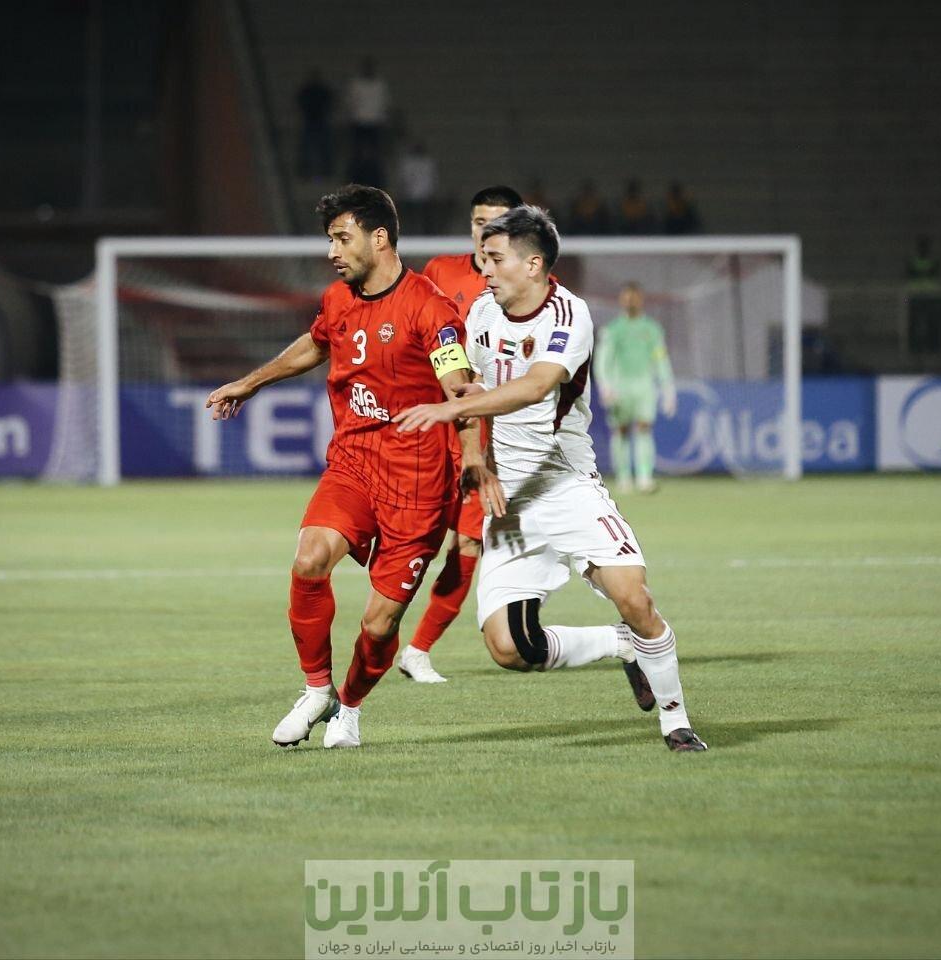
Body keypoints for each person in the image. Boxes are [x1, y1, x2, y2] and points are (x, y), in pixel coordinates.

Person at [394, 206, 707, 753]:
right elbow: (469, 391)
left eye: (496, 259)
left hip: (566, 485)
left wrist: (451, 409)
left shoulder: (569, 314)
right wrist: (476, 459)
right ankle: (622, 645)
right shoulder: (482, 314)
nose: (484, 269)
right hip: (510, 502)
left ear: (533, 264)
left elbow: (537, 386)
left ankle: (675, 720)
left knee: (634, 597)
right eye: (483, 258)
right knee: (508, 648)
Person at [205, 184, 502, 750]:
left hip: (418, 484)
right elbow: (316, 343)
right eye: (330, 240)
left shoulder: (429, 308)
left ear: (379, 237)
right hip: (354, 463)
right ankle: (316, 688)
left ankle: (350, 706)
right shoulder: (338, 298)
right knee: (310, 558)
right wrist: (251, 382)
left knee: (378, 624)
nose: (332, 251)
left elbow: (460, 389)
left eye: (342, 238)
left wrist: (472, 457)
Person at [395, 184, 524, 684]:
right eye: (478, 222)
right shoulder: (439, 273)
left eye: (497, 223)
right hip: (429, 428)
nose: (485, 232)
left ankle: (417, 650)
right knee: (413, 539)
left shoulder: (530, 287)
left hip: (486, 435)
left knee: (469, 543)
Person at [596, 283, 675, 493]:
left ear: (641, 300)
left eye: (634, 297)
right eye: (627, 298)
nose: (630, 301)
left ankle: (644, 477)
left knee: (644, 428)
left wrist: (667, 388)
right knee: (621, 430)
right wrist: (605, 385)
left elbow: (660, 359)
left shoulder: (652, 329)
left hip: (644, 386)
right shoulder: (612, 330)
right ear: (621, 300)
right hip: (620, 386)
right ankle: (623, 477)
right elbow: (603, 360)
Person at [295, 68, 335, 179]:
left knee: (325, 147)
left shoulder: (324, 90)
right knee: (306, 148)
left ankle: (327, 171)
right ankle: (305, 171)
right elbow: (300, 102)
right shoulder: (306, 90)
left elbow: (330, 103)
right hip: (309, 121)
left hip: (321, 120)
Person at [396, 141, 439, 235]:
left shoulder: (427, 162)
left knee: (423, 219)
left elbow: (432, 179)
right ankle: (412, 233)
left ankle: (423, 233)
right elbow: (404, 179)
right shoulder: (408, 163)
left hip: (423, 196)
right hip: (412, 196)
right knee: (412, 219)